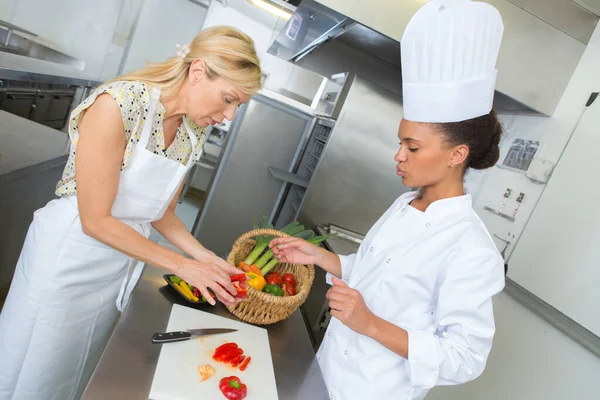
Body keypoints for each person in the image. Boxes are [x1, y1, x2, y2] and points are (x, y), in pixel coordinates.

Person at [0, 26, 262, 400]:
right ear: (199, 71)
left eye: (238, 106)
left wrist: (208, 259)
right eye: (228, 99)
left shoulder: (192, 131)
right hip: (68, 257)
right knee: (33, 365)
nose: (229, 116)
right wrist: (182, 265)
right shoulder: (120, 104)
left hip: (120, 263)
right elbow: (95, 219)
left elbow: (162, 213)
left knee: (74, 370)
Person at [270, 1, 506, 399]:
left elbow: (465, 357)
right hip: (328, 370)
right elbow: (380, 274)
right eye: (400, 143)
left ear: (457, 155)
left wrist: (371, 324)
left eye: (412, 147)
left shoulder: (472, 250)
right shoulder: (406, 205)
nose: (399, 155)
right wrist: (320, 257)